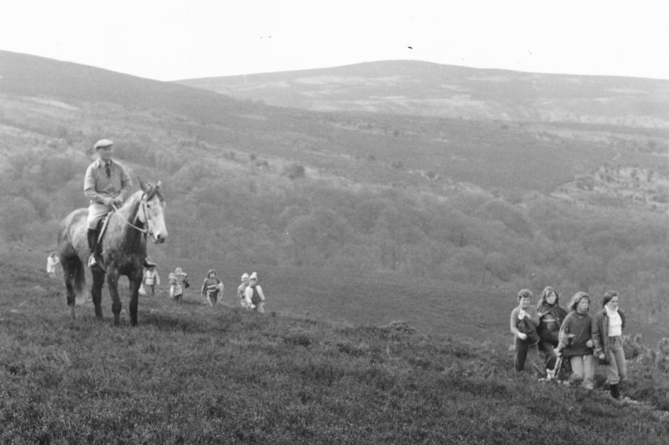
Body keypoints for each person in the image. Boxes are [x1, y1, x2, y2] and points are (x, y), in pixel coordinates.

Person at [83, 139, 132, 269]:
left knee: (135, 219)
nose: (109, 152)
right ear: (99, 151)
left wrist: (121, 196)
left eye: (110, 149)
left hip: (118, 203)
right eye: (105, 150)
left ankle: (142, 254)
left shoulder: (119, 167)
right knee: (92, 222)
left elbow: (128, 184)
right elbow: (88, 191)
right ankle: (93, 254)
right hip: (99, 205)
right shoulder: (92, 169)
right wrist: (104, 199)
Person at [592, 290, 627, 400]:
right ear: (606, 302)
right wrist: (600, 351)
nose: (615, 303)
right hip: (607, 345)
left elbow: (622, 325)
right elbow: (595, 334)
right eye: (612, 301)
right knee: (613, 371)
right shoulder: (601, 315)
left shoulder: (620, 313)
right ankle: (615, 396)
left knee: (622, 372)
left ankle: (610, 386)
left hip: (618, 343)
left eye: (617, 301)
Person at [556, 292, 595, 390]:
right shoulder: (570, 317)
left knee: (589, 377)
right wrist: (561, 346)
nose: (585, 305)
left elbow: (595, 333)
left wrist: (592, 340)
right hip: (574, 351)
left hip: (587, 351)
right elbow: (562, 334)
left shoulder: (589, 318)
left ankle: (588, 396)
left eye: (587, 303)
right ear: (576, 303)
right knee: (578, 375)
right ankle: (568, 384)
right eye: (582, 303)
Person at [537, 286, 568, 377]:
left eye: (553, 295)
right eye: (549, 296)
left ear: (556, 297)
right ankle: (549, 375)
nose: (551, 298)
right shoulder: (539, 310)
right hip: (545, 339)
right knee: (552, 356)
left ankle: (561, 375)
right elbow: (534, 325)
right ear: (545, 298)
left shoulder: (561, 311)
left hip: (558, 338)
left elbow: (566, 325)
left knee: (565, 356)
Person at [509, 289, 541, 373]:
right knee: (519, 360)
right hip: (520, 339)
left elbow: (537, 323)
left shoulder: (533, 309)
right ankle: (518, 378)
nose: (526, 302)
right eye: (524, 299)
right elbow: (512, 327)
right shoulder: (515, 311)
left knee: (536, 359)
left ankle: (540, 377)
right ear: (519, 299)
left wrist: (528, 316)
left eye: (528, 300)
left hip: (532, 338)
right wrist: (519, 334)